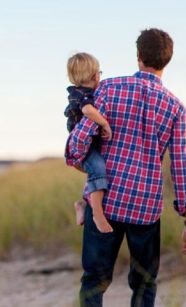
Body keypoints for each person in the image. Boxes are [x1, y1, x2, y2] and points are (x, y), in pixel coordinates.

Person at [66, 28, 186, 307]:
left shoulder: (108, 88)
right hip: (146, 207)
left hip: (106, 201)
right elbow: (183, 166)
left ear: (138, 55)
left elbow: (79, 140)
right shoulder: (176, 108)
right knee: (144, 283)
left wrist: (78, 159)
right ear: (167, 60)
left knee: (94, 281)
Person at [65, 52, 114, 233]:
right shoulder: (80, 94)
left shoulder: (88, 92)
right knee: (98, 168)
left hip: (90, 143)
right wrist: (104, 123)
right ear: (95, 76)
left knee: (96, 171)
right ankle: (97, 214)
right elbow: (87, 111)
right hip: (82, 146)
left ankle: (83, 204)